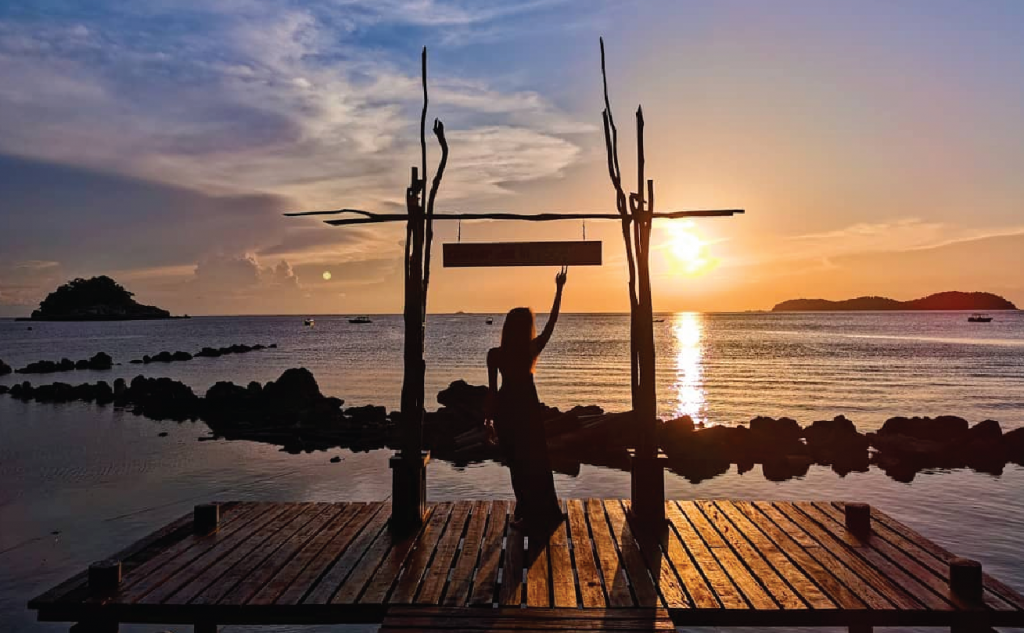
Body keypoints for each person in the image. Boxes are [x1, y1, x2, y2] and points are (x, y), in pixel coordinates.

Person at [484, 266, 568, 534]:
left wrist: (489, 420)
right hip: (527, 412)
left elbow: (492, 392)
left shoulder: (495, 354)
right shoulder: (530, 350)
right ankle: (538, 512)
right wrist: (559, 291)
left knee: (518, 467)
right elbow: (552, 324)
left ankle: (528, 513)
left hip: (508, 412)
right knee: (537, 463)